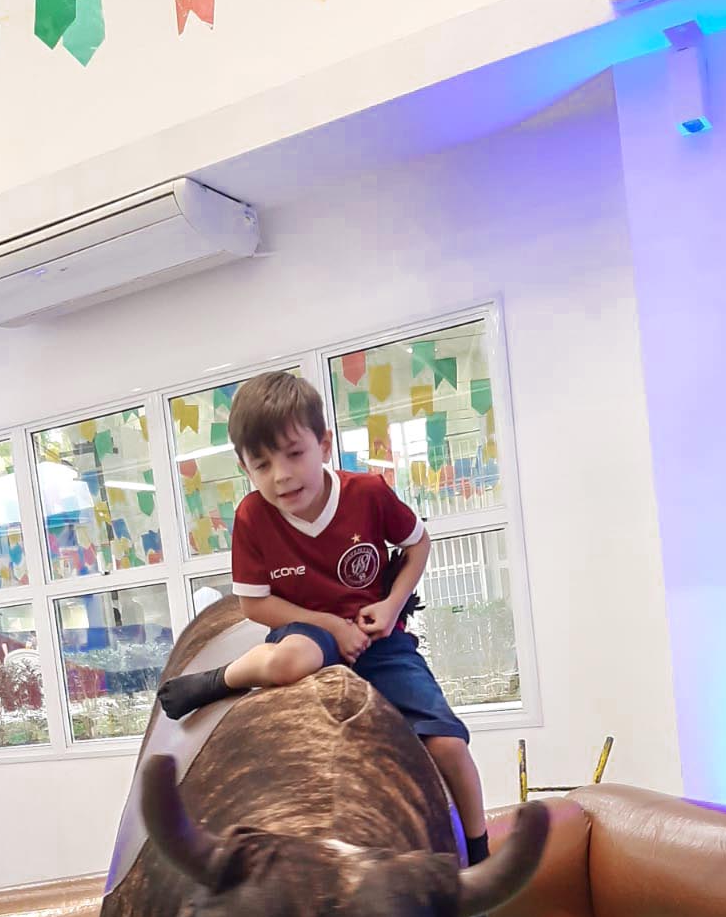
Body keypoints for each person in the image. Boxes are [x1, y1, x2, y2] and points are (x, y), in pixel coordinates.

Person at [158, 371, 490, 879]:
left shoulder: (368, 493)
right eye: (261, 465)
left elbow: (417, 544)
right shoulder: (251, 517)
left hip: (380, 640)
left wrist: (392, 605)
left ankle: (480, 853)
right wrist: (331, 626)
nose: (281, 476)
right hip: (307, 627)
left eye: (294, 454)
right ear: (245, 467)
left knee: (448, 745)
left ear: (324, 444)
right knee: (290, 661)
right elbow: (255, 606)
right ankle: (218, 680)